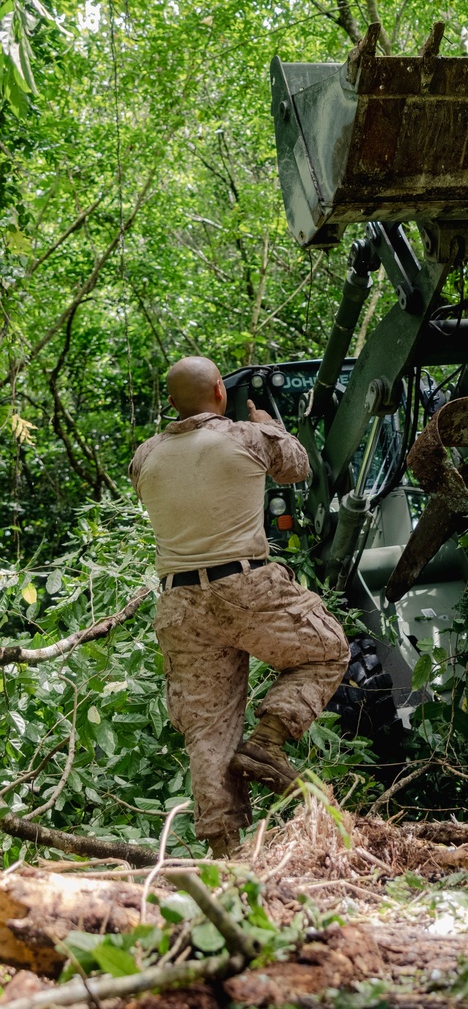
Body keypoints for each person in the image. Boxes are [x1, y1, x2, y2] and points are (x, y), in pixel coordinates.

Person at [129, 355, 349, 858]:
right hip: (245, 587)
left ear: (169, 402)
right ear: (221, 395)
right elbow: (298, 468)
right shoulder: (245, 438)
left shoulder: (145, 456)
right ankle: (267, 741)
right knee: (328, 651)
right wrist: (271, 426)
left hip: (180, 602)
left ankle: (225, 856)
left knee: (208, 728)